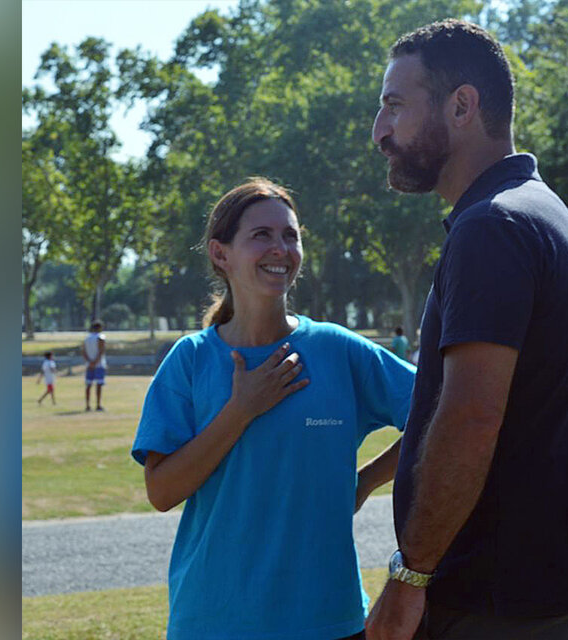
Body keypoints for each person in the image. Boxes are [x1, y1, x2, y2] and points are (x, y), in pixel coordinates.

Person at [366, 20, 568, 640]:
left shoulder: (491, 227)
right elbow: (457, 407)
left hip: (491, 601)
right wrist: (368, 480)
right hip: (534, 593)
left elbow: (473, 419)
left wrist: (410, 577)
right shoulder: (532, 206)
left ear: (462, 105)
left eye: (394, 105)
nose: (380, 132)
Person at [131, 178, 416, 640]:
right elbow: (162, 492)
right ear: (221, 254)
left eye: (290, 235)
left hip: (329, 619)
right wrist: (240, 409)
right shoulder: (191, 359)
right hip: (214, 620)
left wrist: (363, 482)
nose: (280, 248)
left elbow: (439, 415)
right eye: (261, 235)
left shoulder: (338, 350)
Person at [82, 319, 106, 411]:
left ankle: (87, 405)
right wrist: (95, 362)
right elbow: (101, 351)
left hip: (89, 365)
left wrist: (89, 362)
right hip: (99, 364)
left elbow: (83, 352)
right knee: (99, 384)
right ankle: (98, 404)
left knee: (88, 385)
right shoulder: (101, 337)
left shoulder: (87, 339)